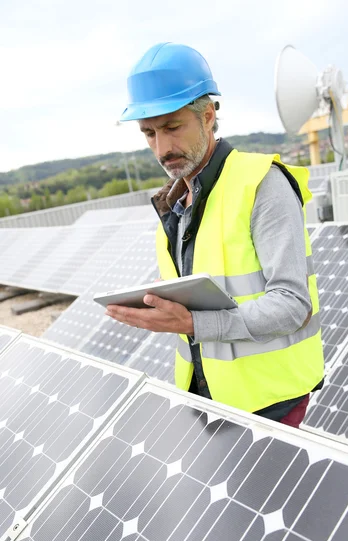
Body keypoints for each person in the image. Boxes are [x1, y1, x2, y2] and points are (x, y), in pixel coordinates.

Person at [106, 42, 325, 428]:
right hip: (206, 397)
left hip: (268, 404)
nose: (162, 147)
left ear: (208, 116)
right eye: (149, 134)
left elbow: (292, 304)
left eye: (173, 127)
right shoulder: (174, 201)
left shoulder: (261, 184)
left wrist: (192, 322)